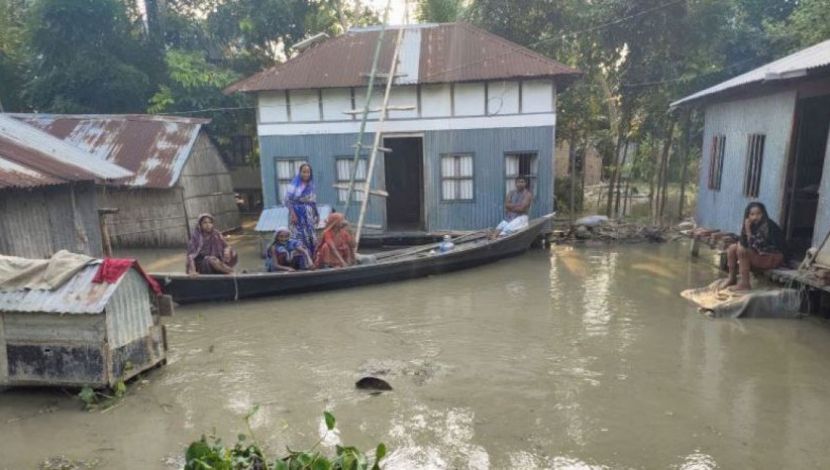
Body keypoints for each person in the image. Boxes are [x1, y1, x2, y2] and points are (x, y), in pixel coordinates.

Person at [722, 201, 786, 291]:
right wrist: (746, 232)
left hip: (773, 257)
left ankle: (745, 284)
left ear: (763, 214)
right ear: (748, 215)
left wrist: (748, 231)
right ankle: (732, 278)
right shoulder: (752, 224)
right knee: (732, 248)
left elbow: (757, 246)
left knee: (742, 250)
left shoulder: (767, 225)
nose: (755, 217)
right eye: (752, 214)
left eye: (759, 214)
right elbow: (744, 242)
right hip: (761, 255)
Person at [284, 163, 319, 257]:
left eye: (308, 172)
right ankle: (300, 258)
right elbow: (287, 200)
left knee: (310, 235)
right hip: (296, 214)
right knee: (297, 235)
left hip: (309, 215)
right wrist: (293, 214)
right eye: (304, 172)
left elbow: (313, 201)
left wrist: (316, 214)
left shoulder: (311, 185)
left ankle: (311, 257)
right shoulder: (294, 185)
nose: (306, 174)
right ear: (300, 172)